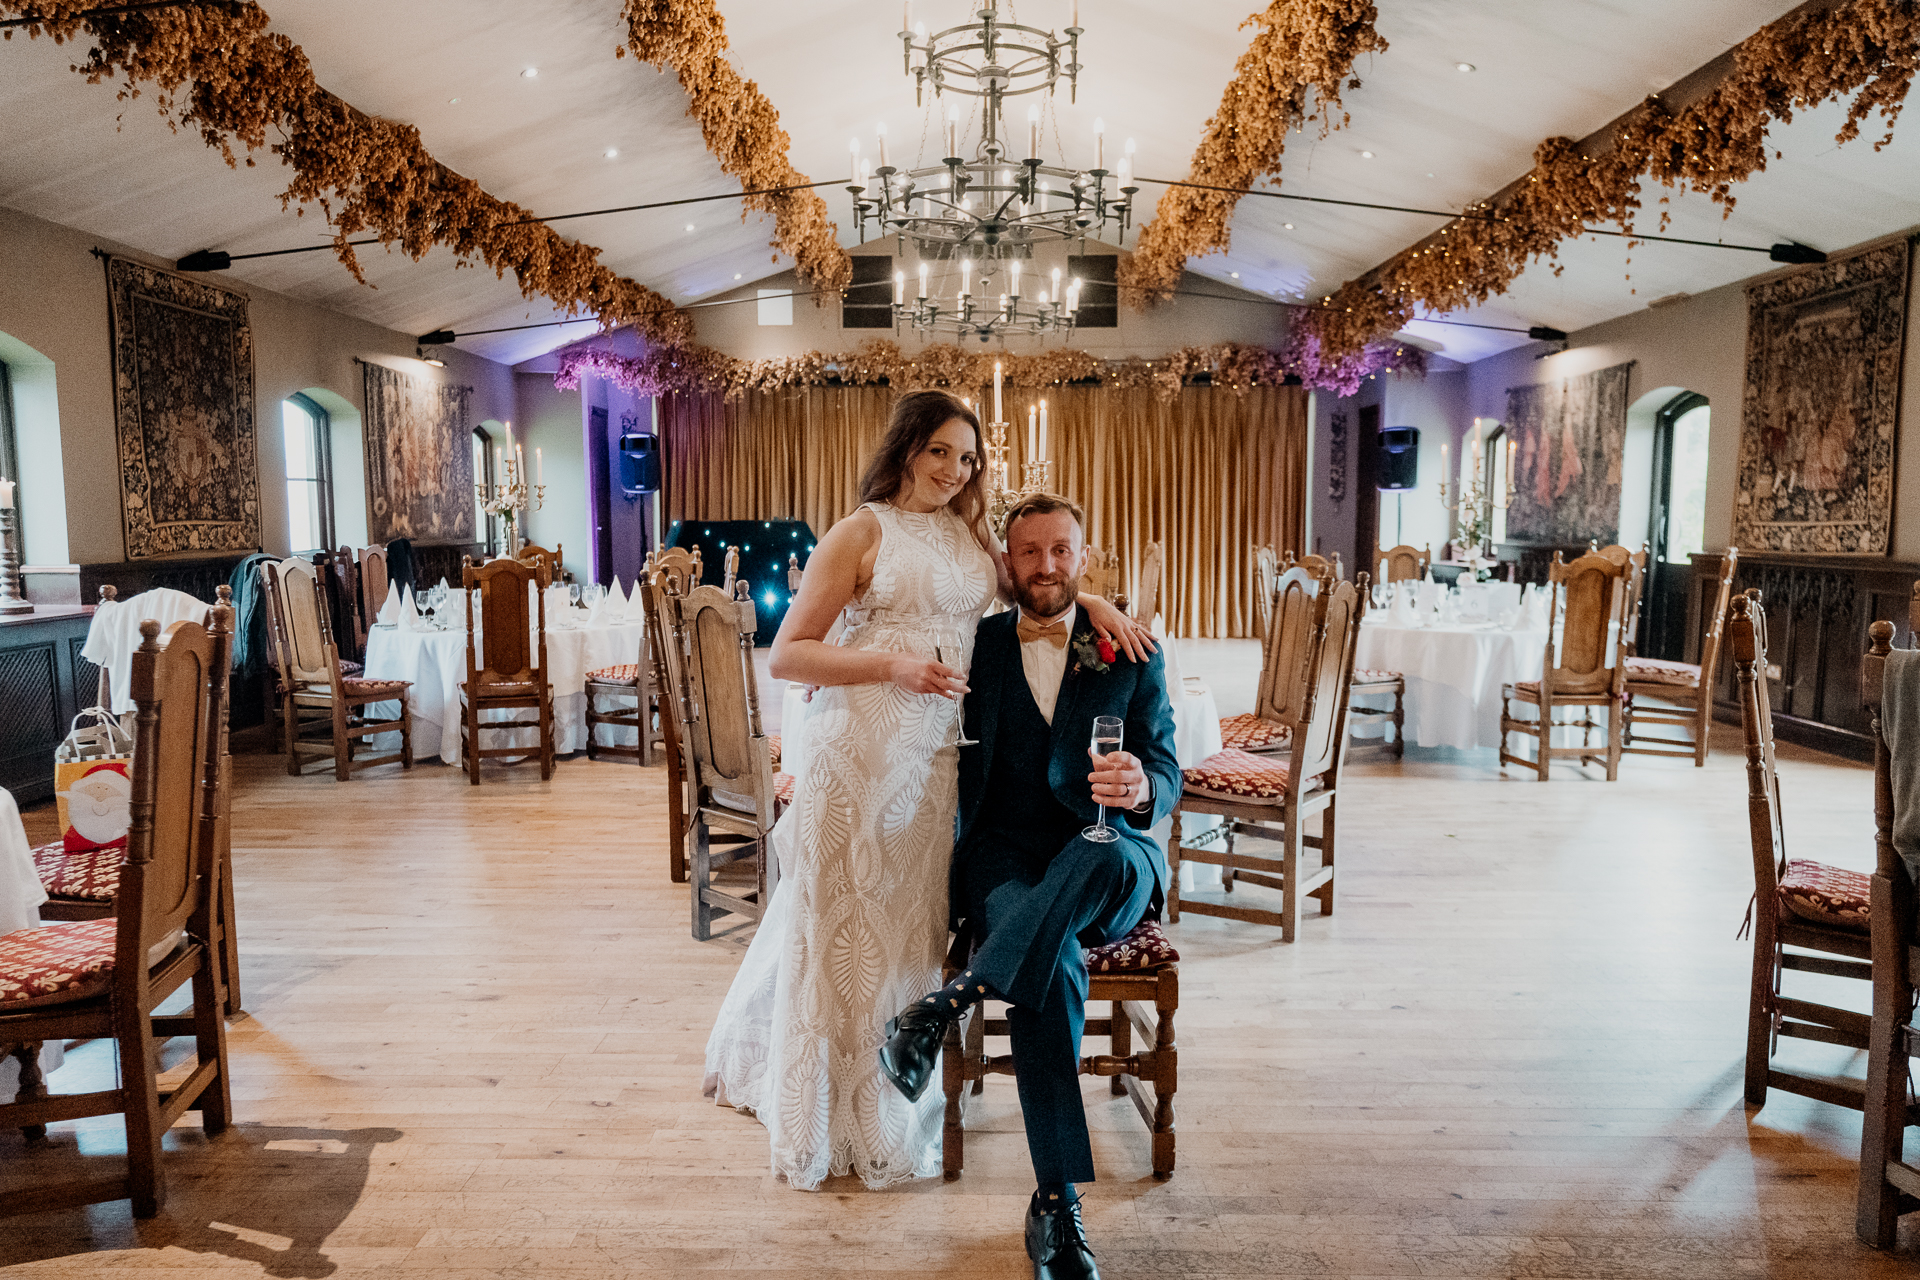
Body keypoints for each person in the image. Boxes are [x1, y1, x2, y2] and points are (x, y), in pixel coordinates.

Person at [703, 391, 1153, 1191]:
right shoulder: (862, 528)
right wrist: (892, 665)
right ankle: (827, 1114)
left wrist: (1091, 600)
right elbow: (788, 655)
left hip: (935, 758)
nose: (955, 469)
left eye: (968, 458)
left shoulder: (971, 536)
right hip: (862, 748)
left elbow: (1028, 590)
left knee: (905, 928)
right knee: (847, 922)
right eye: (941, 451)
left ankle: (898, 1085)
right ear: (908, 447)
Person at [878, 491, 1179, 1280]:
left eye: (1061, 551)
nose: (1046, 566)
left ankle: (950, 1002)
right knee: (1054, 969)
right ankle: (1057, 1204)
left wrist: (1143, 784)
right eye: (1029, 552)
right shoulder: (972, 643)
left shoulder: (1130, 648)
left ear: (1083, 555)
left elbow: (1170, 770)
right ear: (1005, 564)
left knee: (1106, 849)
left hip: (1110, 856)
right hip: (1005, 861)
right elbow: (890, 661)